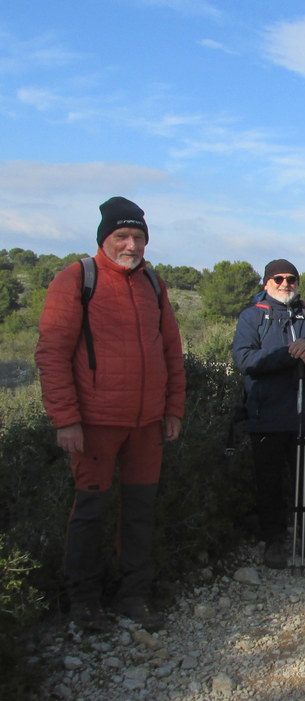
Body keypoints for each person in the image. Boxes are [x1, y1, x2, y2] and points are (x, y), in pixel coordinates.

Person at [35, 197, 186, 633]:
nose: (131, 244)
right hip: (95, 422)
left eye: (138, 236)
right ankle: (84, 602)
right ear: (105, 238)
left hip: (147, 424)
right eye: (122, 235)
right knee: (90, 511)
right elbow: (52, 353)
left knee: (139, 510)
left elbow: (171, 351)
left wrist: (172, 408)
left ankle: (133, 595)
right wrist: (65, 419)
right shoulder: (77, 279)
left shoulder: (153, 284)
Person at [232, 259, 305, 570]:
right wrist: (289, 354)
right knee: (269, 482)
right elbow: (244, 359)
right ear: (266, 283)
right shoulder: (252, 316)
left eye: (291, 279)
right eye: (278, 279)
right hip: (265, 414)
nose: (285, 284)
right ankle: (275, 540)